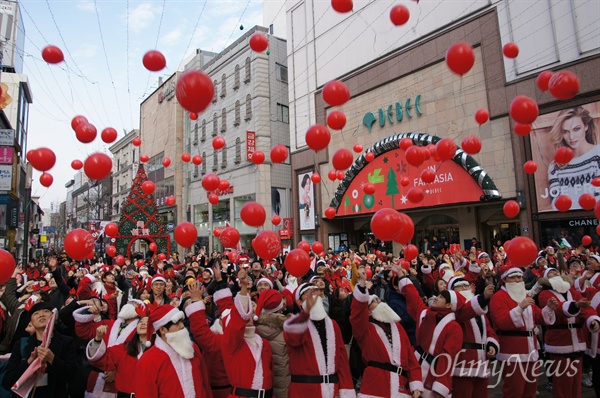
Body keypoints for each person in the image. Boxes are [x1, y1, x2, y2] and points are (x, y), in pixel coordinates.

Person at [350, 267, 422, 397]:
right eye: (374, 301)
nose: (379, 301)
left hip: (401, 386)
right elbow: (356, 313)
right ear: (368, 311)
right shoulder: (364, 329)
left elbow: (410, 358)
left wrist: (415, 383)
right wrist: (362, 284)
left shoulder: (397, 328)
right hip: (375, 387)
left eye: (379, 299)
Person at [489, 265, 559, 398]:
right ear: (504, 279)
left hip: (531, 349)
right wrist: (520, 308)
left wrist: (549, 309)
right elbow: (501, 322)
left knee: (530, 390)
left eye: (520, 277)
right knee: (514, 391)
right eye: (513, 277)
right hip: (512, 351)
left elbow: (538, 316)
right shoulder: (499, 297)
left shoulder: (524, 295)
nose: (517, 280)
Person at [283, 283, 356, 398]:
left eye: (315, 292)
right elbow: (293, 339)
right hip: (305, 391)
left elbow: (342, 361)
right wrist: (305, 313)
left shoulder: (333, 325)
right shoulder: (296, 324)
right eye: (307, 294)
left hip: (332, 390)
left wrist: (347, 390)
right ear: (299, 302)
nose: (313, 296)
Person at [537, 267, 600, 398]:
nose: (555, 274)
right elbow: (558, 311)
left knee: (576, 383)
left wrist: (593, 320)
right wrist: (575, 305)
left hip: (577, 339)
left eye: (556, 272)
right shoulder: (545, 294)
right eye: (551, 273)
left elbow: (586, 306)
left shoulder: (571, 291)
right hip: (559, 341)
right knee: (562, 383)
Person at [3, 300, 78, 397]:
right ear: (31, 322)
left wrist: (52, 359)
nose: (41, 315)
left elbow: (72, 375)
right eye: (36, 313)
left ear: (54, 318)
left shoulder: (66, 342)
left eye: (46, 311)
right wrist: (28, 362)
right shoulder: (21, 344)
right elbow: (7, 382)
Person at [134, 304, 212, 397]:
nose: (182, 326)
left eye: (181, 322)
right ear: (162, 329)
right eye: (177, 323)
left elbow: (205, 383)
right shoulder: (148, 360)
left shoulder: (192, 347)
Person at [221, 269, 274, 398]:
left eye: (249, 314)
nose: (247, 316)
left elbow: (271, 372)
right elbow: (236, 324)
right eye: (244, 315)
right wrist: (244, 288)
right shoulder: (231, 344)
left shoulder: (264, 343)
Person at [547, 106, 600, 210]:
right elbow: (556, 205)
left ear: (586, 126)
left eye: (576, 129)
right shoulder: (555, 167)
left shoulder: (598, 155)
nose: (571, 137)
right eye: (565, 131)